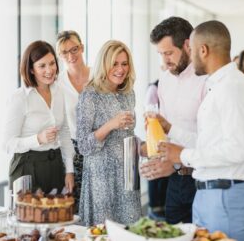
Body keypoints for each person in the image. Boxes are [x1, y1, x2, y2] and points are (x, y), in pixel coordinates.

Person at [158, 20, 244, 241]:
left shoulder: (231, 87)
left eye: (191, 50)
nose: (189, 57)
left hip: (225, 198)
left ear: (203, 50)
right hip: (210, 196)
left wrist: (183, 155)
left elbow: (238, 149)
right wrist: (171, 129)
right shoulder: (219, 85)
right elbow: (209, 142)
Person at [140, 17, 206, 224]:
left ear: (188, 45)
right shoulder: (165, 81)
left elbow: (211, 142)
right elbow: (167, 131)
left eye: (169, 53)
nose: (164, 62)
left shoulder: (208, 80)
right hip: (175, 182)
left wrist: (178, 163)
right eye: (160, 54)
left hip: (204, 181)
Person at [77, 40, 141, 226]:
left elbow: (128, 136)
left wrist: (143, 147)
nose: (120, 69)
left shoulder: (129, 93)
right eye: (114, 63)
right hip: (101, 180)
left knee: (130, 232)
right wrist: (109, 125)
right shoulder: (90, 95)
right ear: (104, 65)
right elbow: (83, 146)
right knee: (103, 232)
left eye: (124, 63)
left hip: (128, 176)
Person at [3, 40, 75, 194]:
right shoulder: (20, 98)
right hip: (26, 168)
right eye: (42, 66)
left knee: (56, 216)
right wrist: (38, 139)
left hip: (55, 165)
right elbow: (8, 144)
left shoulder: (59, 91)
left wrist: (69, 170)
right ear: (31, 69)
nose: (49, 70)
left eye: (52, 63)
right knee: (29, 217)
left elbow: (64, 132)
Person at [56, 30, 91, 212]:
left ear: (82, 48)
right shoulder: (57, 84)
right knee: (75, 206)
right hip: (73, 150)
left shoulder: (98, 77)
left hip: (98, 146)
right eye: (64, 52)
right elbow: (61, 127)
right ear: (59, 55)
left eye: (74, 49)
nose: (71, 55)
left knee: (99, 204)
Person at [144, 79, 168, 220]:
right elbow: (149, 113)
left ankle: (160, 209)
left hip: (166, 139)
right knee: (156, 175)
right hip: (156, 139)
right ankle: (155, 210)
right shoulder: (154, 89)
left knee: (164, 177)